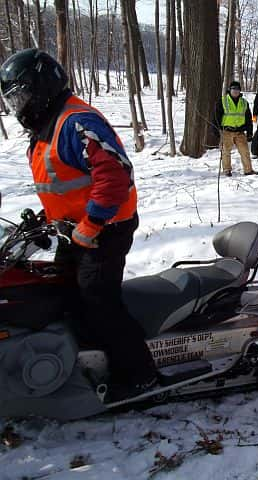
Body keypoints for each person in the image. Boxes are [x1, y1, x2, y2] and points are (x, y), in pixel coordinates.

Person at [0, 48, 157, 399]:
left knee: (98, 301)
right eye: (14, 101)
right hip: (75, 231)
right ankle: (87, 359)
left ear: (41, 88)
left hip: (106, 230)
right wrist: (47, 219)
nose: (18, 107)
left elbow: (115, 177)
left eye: (21, 97)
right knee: (60, 291)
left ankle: (140, 375)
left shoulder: (76, 122)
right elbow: (65, 182)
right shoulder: (47, 127)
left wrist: (92, 224)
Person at [214, 80, 258, 177]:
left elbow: (248, 119)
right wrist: (217, 130)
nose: (235, 91)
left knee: (245, 151)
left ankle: (248, 170)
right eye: (233, 89)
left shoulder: (244, 103)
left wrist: (249, 133)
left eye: (237, 89)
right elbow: (216, 117)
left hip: (240, 132)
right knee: (226, 152)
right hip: (226, 131)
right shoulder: (223, 101)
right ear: (230, 90)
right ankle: (227, 170)